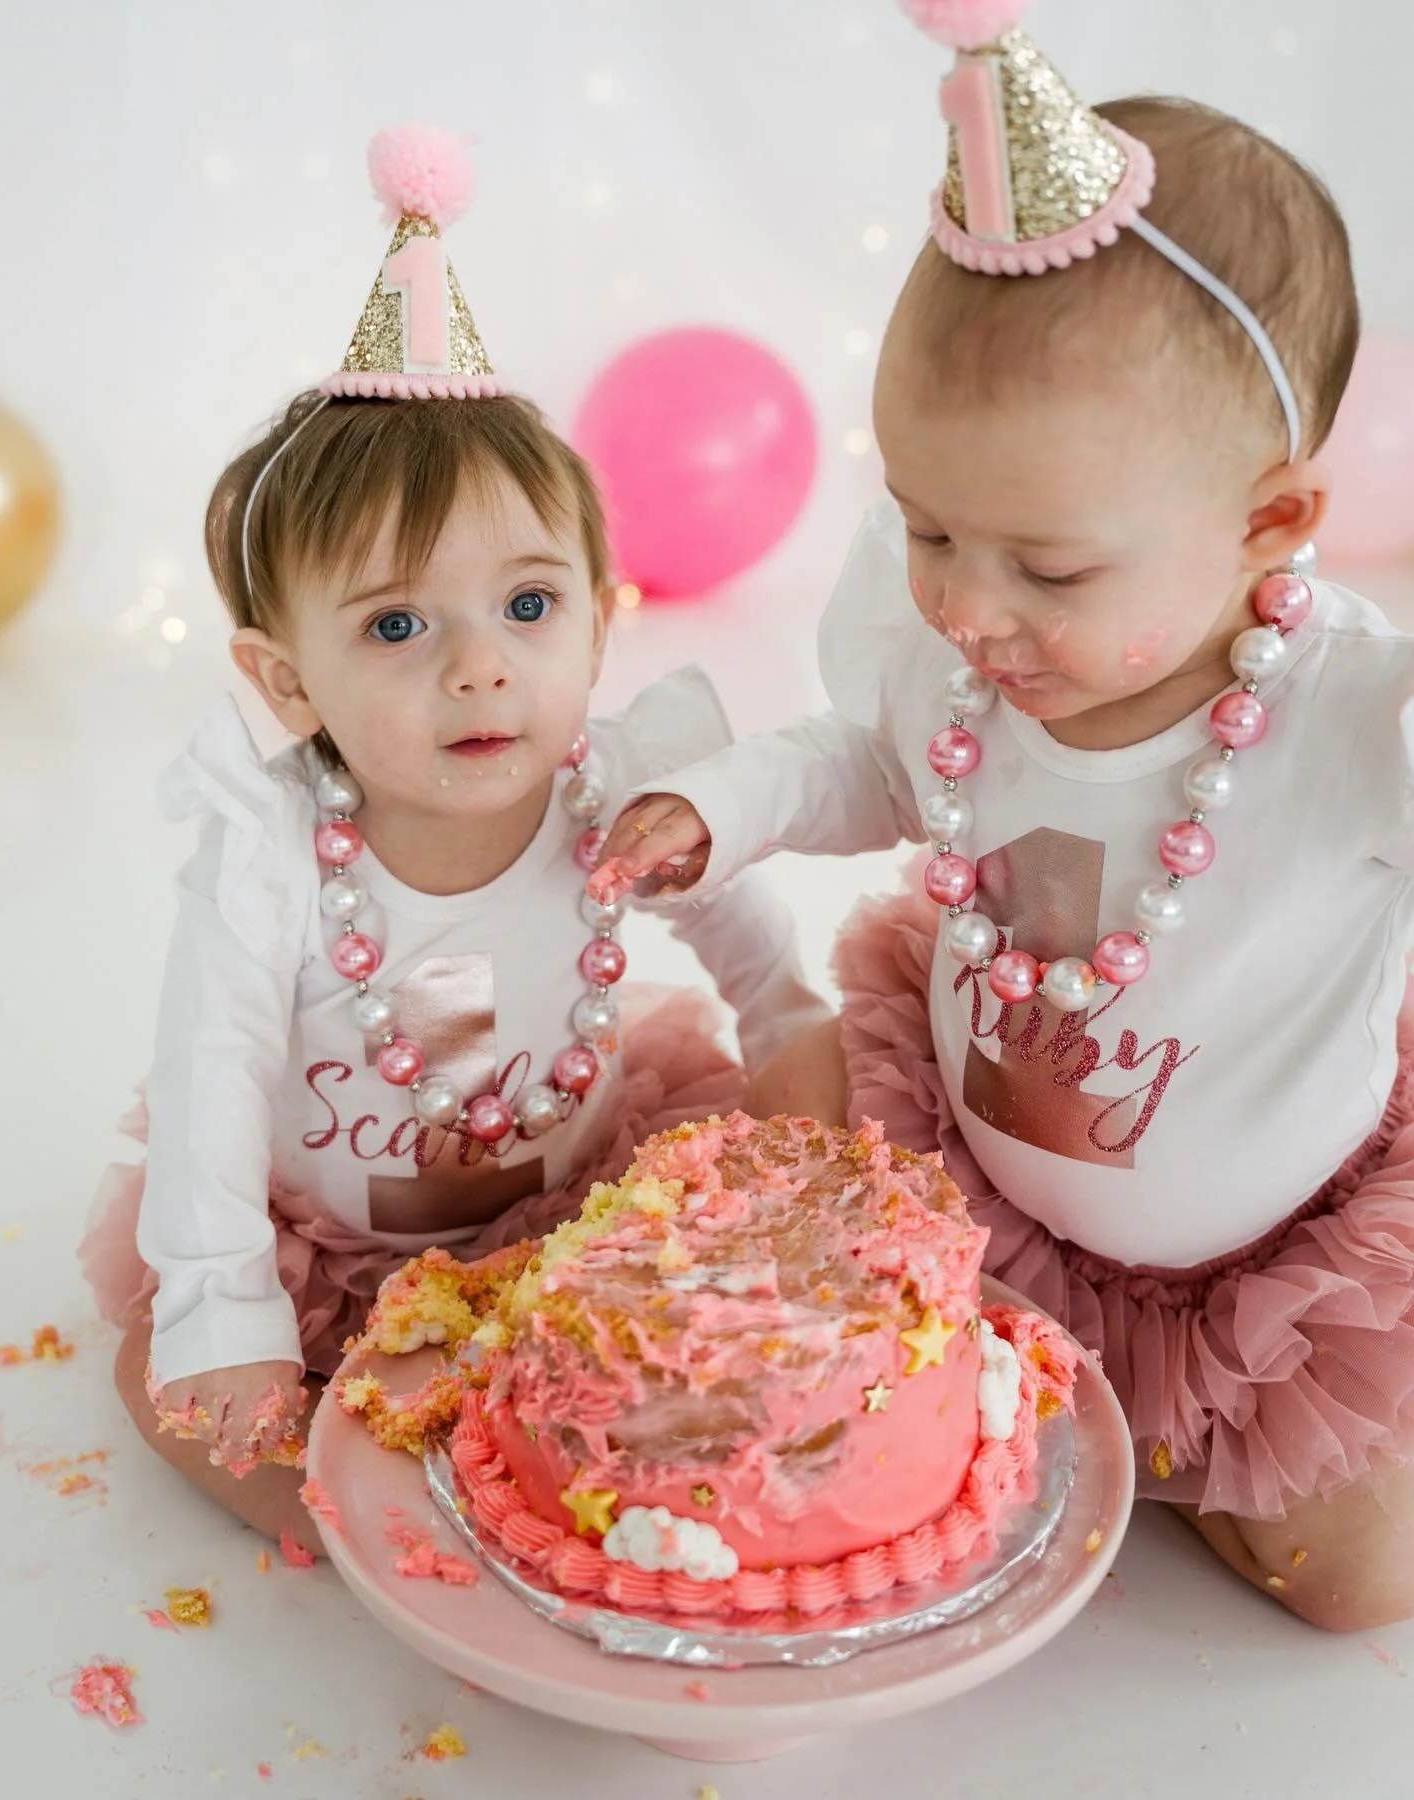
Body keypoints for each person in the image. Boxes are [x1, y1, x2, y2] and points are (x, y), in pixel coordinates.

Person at [594, 5, 1414, 1631]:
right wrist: (726, 800)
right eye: (926, 529)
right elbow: (869, 763)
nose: (971, 607)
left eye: (1049, 568)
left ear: (1272, 521)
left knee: (1360, 1593)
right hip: (978, 1168)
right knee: (790, 1302)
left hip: (1263, 1265)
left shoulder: (1345, 725)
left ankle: (1170, 1437)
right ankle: (1007, 1396)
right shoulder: (950, 665)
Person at [80, 127, 826, 1552]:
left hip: (582, 1217)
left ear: (606, 618)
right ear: (286, 682)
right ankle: (397, 1533)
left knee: (664, 1374)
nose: (480, 668)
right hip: (353, 1251)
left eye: (529, 607)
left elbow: (765, 968)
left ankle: (571, 1475)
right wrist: (229, 1314)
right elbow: (213, 1077)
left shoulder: (628, 789)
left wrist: (796, 1094)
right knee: (162, 1379)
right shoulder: (272, 850)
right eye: (398, 626)